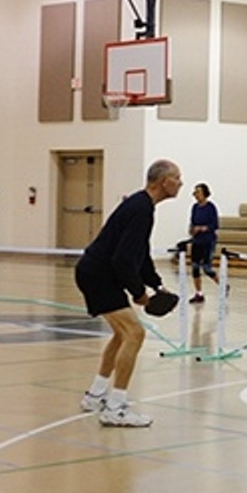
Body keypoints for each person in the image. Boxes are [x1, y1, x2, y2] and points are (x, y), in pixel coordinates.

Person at [75, 159, 183, 428]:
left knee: (123, 334)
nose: (181, 183)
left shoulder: (142, 205)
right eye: (177, 178)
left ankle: (96, 395)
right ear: (163, 182)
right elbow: (123, 260)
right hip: (99, 276)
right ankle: (116, 407)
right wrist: (139, 294)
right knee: (135, 333)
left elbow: (140, 253)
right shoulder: (140, 208)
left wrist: (156, 285)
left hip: (95, 272)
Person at [187, 183, 221, 304]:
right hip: (197, 240)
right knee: (195, 267)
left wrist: (202, 228)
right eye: (195, 192)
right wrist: (192, 230)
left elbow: (215, 225)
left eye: (198, 192)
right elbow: (192, 221)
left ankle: (222, 285)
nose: (196, 195)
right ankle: (198, 293)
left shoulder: (211, 207)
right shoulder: (195, 207)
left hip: (208, 240)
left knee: (207, 268)